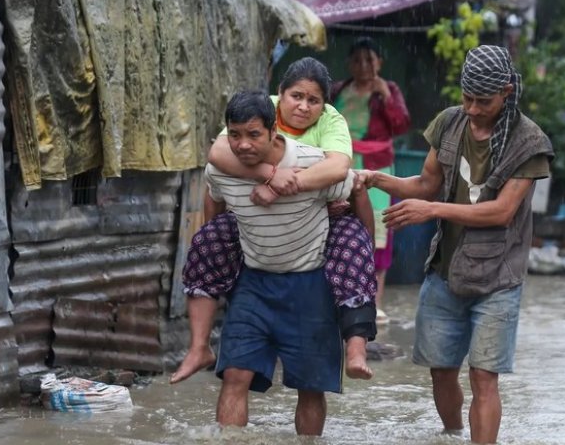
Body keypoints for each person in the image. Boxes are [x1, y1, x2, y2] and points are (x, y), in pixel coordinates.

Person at [355, 45, 553, 444]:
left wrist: (432, 209)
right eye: (467, 98)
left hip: (498, 277)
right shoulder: (449, 122)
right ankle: (451, 435)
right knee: (441, 371)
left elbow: (501, 211)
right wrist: (374, 178)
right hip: (444, 271)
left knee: (483, 376)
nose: (473, 109)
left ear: (507, 92)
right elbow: (426, 183)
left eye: (484, 101)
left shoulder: (529, 141)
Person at [170, 57, 377, 385]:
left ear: (324, 105)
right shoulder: (258, 111)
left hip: (325, 209)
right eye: (296, 96)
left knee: (354, 247)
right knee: (208, 239)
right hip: (257, 218)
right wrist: (269, 174)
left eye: (313, 100)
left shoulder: (331, 121)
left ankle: (356, 348)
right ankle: (199, 347)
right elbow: (218, 155)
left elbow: (339, 170)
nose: (304, 106)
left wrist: (283, 186)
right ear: (280, 95)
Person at [204, 90, 359, 435]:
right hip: (253, 281)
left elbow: (351, 187)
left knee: (310, 385)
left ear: (274, 132)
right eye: (235, 135)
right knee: (234, 375)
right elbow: (213, 198)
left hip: (309, 284)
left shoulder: (313, 163)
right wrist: (214, 250)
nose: (243, 145)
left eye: (253, 134)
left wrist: (358, 257)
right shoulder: (221, 168)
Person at [331, 37, 411, 324]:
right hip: (341, 163)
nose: (363, 65)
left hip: (376, 168)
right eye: (357, 60)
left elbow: (401, 124)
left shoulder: (388, 90)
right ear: (349, 64)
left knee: (378, 230)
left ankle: (375, 302)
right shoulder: (338, 89)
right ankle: (341, 297)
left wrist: (386, 96)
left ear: (380, 63)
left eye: (369, 59)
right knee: (339, 221)